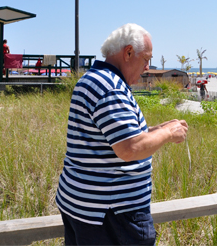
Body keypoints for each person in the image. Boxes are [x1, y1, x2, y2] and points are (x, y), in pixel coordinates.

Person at [55, 23, 188, 246]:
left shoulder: (92, 79)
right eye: (146, 59)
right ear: (128, 53)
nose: (147, 67)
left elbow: (111, 138)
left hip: (83, 206)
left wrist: (156, 130)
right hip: (111, 215)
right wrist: (168, 133)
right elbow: (130, 149)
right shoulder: (111, 87)